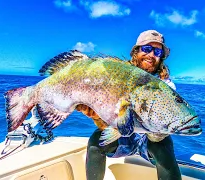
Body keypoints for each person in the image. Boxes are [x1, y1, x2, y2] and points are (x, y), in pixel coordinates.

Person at [76, 30, 182, 180]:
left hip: (150, 139)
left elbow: (163, 129)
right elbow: (108, 122)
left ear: (161, 57)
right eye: (146, 49)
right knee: (95, 142)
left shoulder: (166, 86)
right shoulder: (116, 78)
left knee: (164, 147)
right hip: (121, 135)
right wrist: (95, 116)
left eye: (157, 51)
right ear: (136, 51)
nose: (151, 55)